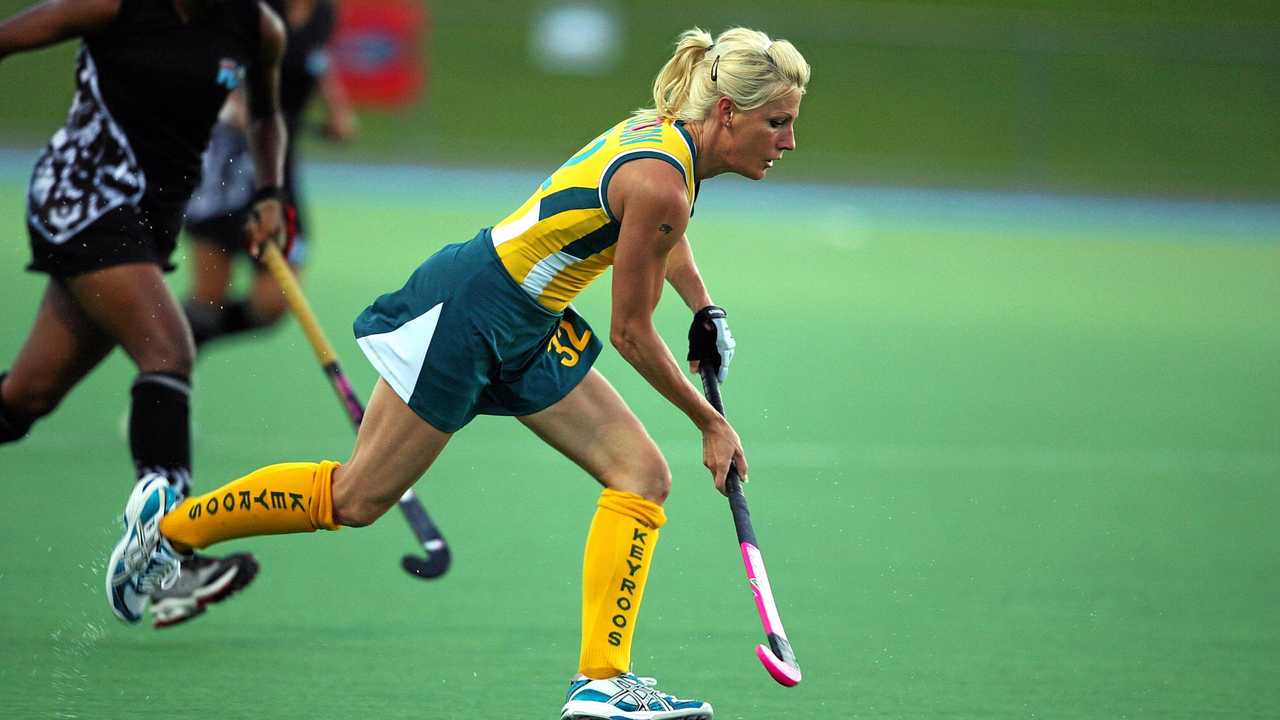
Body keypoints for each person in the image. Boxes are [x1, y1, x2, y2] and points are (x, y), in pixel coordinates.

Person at [108, 26, 810, 719]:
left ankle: (601, 682)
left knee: (641, 476)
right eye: (776, 122)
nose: (788, 142)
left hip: (529, 322)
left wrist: (704, 308)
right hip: (473, 311)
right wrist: (710, 424)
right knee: (356, 498)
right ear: (726, 113)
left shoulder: (664, 142)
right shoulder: (662, 181)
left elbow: (662, 238)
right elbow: (630, 331)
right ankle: (169, 533)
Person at [0, 0, 289, 627]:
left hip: (150, 223)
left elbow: (266, 115)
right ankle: (169, 554)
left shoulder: (253, 25)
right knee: (168, 350)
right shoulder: (116, 4)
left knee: (28, 396)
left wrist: (268, 192)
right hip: (82, 196)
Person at [184, 0, 356, 348]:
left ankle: (180, 341)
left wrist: (337, 108)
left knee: (273, 303)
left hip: (278, 165)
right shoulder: (255, 8)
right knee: (209, 300)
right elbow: (222, 56)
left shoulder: (323, 12)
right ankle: (168, 369)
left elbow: (318, 59)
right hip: (231, 163)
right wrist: (231, 101)